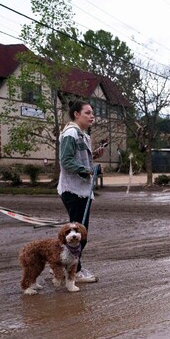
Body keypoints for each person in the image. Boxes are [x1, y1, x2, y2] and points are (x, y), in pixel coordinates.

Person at [58, 100, 105, 283]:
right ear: (76, 114)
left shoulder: (82, 135)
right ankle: (74, 271)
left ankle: (65, 268)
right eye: (88, 112)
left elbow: (79, 158)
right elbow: (66, 161)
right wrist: (89, 170)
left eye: (92, 113)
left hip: (83, 190)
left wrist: (93, 156)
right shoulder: (71, 133)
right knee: (78, 234)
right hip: (74, 190)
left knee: (79, 232)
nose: (92, 116)